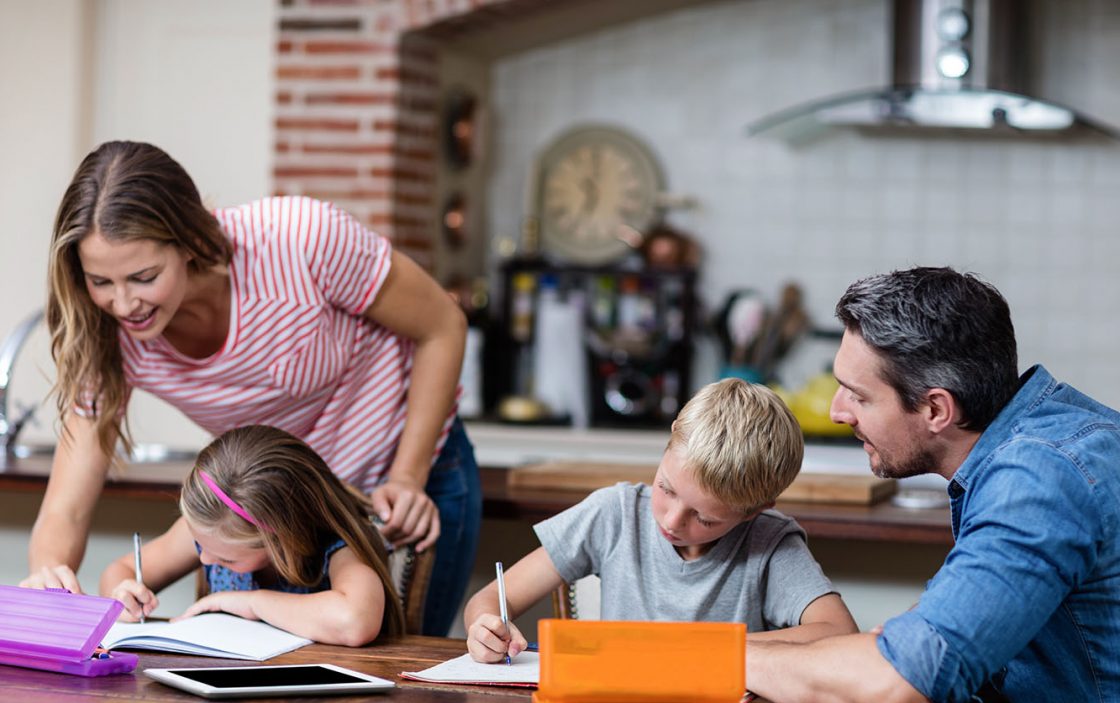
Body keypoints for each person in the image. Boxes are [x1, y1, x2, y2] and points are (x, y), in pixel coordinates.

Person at [21, 140, 479, 635]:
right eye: (100, 281)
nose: (124, 303)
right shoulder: (106, 330)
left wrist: (407, 476)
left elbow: (442, 326)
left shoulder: (301, 240)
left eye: (144, 276)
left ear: (190, 240)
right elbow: (66, 504)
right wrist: (49, 576)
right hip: (269, 513)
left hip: (401, 480)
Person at [745, 267, 1120, 703]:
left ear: (937, 410)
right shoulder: (1063, 435)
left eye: (860, 395)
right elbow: (935, 651)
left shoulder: (1038, 480)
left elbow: (902, 688)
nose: (840, 411)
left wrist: (712, 656)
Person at [464, 378, 857, 663]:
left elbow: (838, 632)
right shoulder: (614, 514)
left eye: (704, 517)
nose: (671, 520)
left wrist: (703, 647)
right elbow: (490, 599)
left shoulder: (769, 543)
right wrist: (485, 627)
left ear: (757, 510)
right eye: (666, 488)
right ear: (670, 441)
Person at [100, 425, 405, 645]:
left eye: (225, 558)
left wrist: (252, 603)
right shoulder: (210, 532)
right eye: (200, 546)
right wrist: (123, 595)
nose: (204, 558)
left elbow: (354, 621)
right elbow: (119, 571)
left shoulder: (337, 549)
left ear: (282, 540)